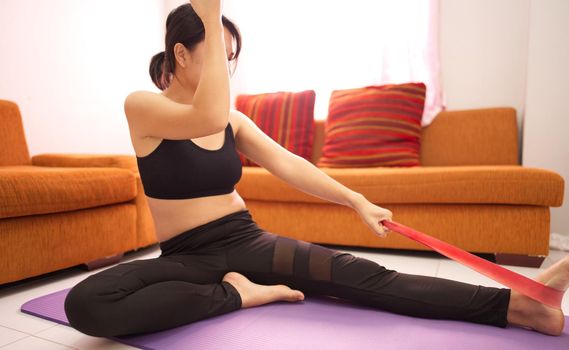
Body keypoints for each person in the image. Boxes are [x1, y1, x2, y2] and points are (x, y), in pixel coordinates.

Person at [64, 0, 568, 337]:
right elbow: (205, 113)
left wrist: (356, 200)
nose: (228, 69)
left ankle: (519, 306)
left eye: (231, 58)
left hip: (243, 240)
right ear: (180, 54)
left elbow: (290, 163)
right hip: (185, 258)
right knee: (85, 305)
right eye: (219, 54)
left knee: (364, 275)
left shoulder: (231, 122)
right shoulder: (142, 107)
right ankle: (235, 295)